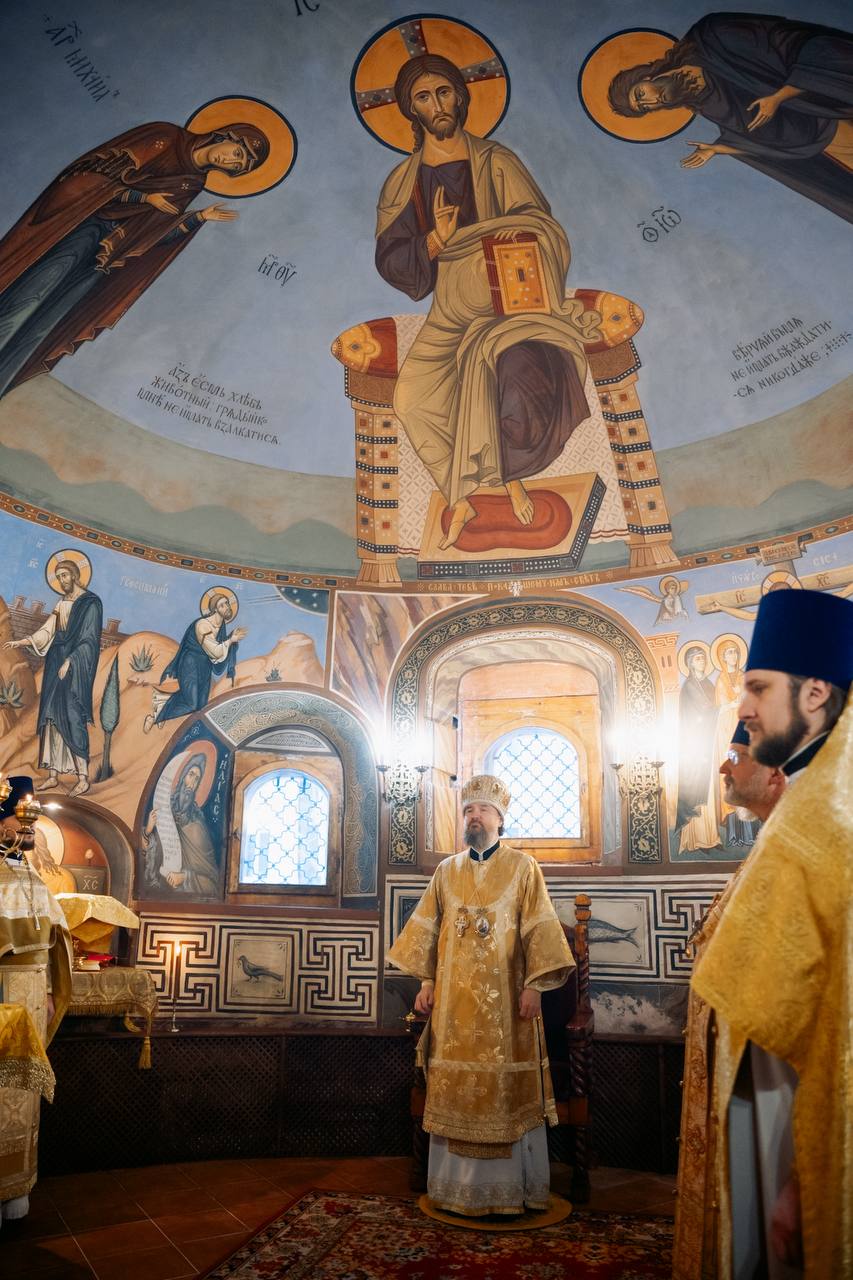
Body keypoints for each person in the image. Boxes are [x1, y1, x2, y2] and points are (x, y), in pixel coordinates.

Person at [689, 589, 853, 1278]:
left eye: (757, 688)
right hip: (768, 1105)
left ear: (814, 692)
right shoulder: (811, 801)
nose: (743, 708)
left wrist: (802, 1177)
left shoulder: (835, 814)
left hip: (804, 1118)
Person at [375, 54, 597, 548]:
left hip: (509, 298)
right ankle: (460, 495)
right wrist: (437, 239)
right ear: (411, 109)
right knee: (411, 400)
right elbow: (391, 259)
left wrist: (508, 234)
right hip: (452, 304)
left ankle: (509, 482)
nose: (437, 104)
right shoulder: (402, 180)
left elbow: (541, 225)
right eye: (423, 97)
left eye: (444, 92)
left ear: (460, 96)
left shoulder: (497, 161)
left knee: (506, 385)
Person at [387, 774, 574, 1216]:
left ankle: (507, 1193)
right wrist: (427, 983)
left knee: (504, 1094)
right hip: (454, 1009)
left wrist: (534, 986)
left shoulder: (523, 867)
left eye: (483, 809)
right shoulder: (446, 870)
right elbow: (429, 931)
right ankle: (452, 1191)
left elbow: (539, 928)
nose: (474, 816)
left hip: (507, 1008)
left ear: (499, 819)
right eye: (468, 809)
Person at [0, 119, 269, 398]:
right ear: (227, 136)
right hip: (85, 227)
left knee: (44, 324)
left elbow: (153, 235)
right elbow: (92, 175)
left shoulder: (193, 183)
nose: (229, 162)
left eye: (236, 166)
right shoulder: (166, 137)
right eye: (236, 153)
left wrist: (198, 217)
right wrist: (143, 198)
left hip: (107, 255)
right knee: (26, 299)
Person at [672, 723, 785, 1278]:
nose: (722, 767)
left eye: (736, 755)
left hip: (772, 1083)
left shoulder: (795, 854)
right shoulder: (772, 846)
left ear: (777, 771)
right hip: (743, 1074)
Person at [607, 13, 853, 225]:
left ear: (646, 76)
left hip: (827, 103)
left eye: (640, 95)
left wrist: (779, 97)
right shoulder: (702, 102)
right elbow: (761, 134)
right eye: (644, 108)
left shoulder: (713, 37)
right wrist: (718, 149)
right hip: (821, 138)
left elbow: (788, 44)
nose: (651, 102)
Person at [0, 775, 72, 1225]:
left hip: (29, 999)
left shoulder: (26, 871)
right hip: (3, 998)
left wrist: (46, 992)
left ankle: (16, 1190)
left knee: (22, 1097)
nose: (28, 828)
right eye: (19, 818)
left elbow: (51, 940)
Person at [4, 558, 102, 795]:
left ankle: (83, 777)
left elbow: (90, 640)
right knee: (50, 715)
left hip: (74, 666)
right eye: (58, 577)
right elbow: (48, 631)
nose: (61, 581)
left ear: (75, 575)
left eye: (64, 576)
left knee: (72, 715)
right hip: (55, 661)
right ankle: (52, 775)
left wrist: (71, 660)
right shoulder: (62, 603)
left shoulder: (90, 603)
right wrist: (23, 641)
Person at [143, 592, 246, 732]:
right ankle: (155, 717)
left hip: (205, 666)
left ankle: (163, 701)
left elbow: (216, 654)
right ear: (215, 609)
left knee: (199, 706)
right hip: (190, 663)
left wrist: (230, 639)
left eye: (227, 603)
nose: (227, 606)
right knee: (191, 704)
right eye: (222, 605)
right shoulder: (202, 625)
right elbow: (215, 651)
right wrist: (231, 640)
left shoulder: (221, 626)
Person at [142, 752, 219, 897]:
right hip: (157, 890)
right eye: (191, 775)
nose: (192, 783)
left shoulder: (197, 826)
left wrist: (184, 877)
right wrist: (148, 830)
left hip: (182, 898)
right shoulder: (164, 811)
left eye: (197, 779)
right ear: (183, 776)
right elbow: (145, 856)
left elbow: (212, 883)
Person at [675, 645, 719, 851]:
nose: (702, 661)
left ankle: (712, 838)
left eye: (703, 657)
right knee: (695, 788)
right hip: (694, 746)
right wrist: (724, 708)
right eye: (698, 658)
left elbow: (713, 705)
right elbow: (704, 709)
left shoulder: (708, 683)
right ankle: (694, 840)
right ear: (690, 663)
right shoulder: (689, 686)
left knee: (709, 790)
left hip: (708, 742)